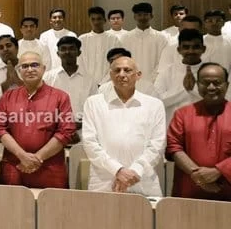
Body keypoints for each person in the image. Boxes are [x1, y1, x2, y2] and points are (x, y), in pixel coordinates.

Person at [82, 56, 165, 195]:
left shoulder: (154, 105)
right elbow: (90, 143)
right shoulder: (94, 103)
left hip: (142, 179)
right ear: (110, 75)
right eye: (117, 70)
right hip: (104, 180)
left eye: (127, 70)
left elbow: (157, 145)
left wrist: (135, 171)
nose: (121, 74)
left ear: (138, 75)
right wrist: (118, 170)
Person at [0, 52, 76, 188]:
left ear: (43, 69)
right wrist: (22, 156)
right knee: (11, 202)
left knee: (51, 202)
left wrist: (37, 158)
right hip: (15, 166)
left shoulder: (60, 97)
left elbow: (66, 132)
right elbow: (1, 130)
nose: (30, 69)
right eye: (25, 66)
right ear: (19, 71)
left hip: (50, 169)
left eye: (34, 65)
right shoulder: (8, 97)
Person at [166, 63, 231, 200]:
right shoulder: (182, 114)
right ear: (197, 85)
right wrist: (197, 174)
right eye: (206, 83)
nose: (211, 87)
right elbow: (174, 147)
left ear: (227, 85)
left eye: (217, 83)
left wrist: (219, 171)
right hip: (189, 191)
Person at [155, 29, 214, 125]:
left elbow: (220, 101)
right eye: (186, 47)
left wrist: (194, 89)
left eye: (196, 47)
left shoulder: (213, 72)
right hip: (174, 125)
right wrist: (184, 90)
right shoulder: (167, 72)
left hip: (204, 125)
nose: (191, 51)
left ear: (203, 49)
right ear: (179, 50)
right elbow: (156, 101)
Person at [42, 36, 97, 127]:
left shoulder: (90, 80)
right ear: (58, 53)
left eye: (72, 48)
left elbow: (95, 107)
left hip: (83, 129)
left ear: (79, 53)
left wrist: (81, 124)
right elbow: (42, 106)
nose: (67, 52)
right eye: (63, 49)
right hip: (55, 130)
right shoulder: (47, 78)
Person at [123, 2, 167, 84]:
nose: (142, 18)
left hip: (155, 82)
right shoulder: (125, 38)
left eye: (146, 14)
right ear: (135, 17)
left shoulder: (161, 38)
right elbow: (123, 60)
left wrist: (152, 79)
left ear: (151, 16)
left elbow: (164, 61)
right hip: (131, 81)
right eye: (139, 15)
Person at [79, 7, 120, 82]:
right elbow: (79, 63)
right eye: (93, 19)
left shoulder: (113, 39)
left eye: (99, 19)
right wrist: (89, 82)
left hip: (108, 82)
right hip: (86, 82)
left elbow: (116, 63)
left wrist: (104, 82)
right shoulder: (82, 39)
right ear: (89, 20)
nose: (96, 22)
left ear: (104, 20)